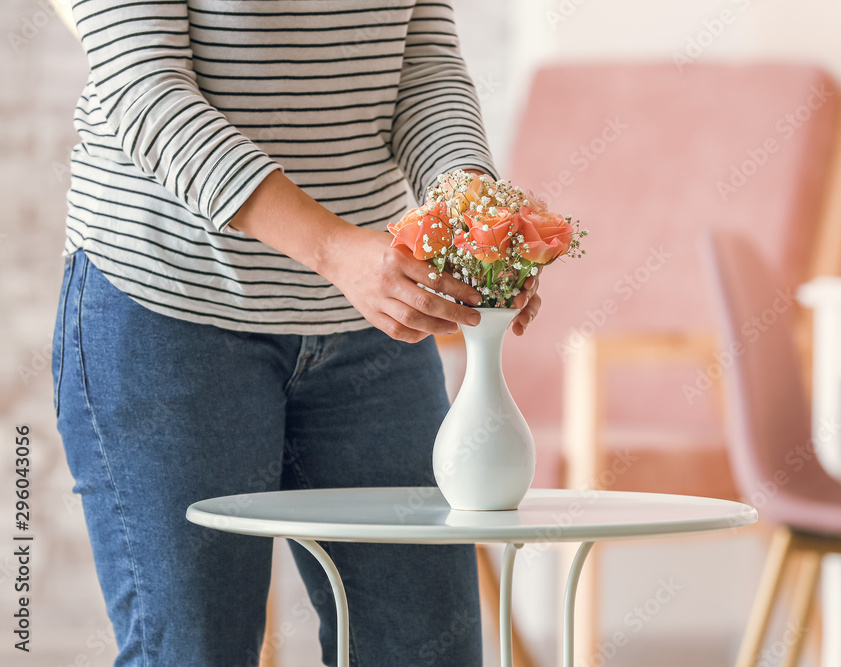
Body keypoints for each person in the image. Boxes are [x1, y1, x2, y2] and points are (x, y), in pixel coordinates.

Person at [50, 1, 541, 665]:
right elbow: (145, 87)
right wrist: (337, 252)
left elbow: (420, 71)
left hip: (369, 327)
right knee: (196, 652)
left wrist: (471, 214)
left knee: (425, 650)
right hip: (169, 307)